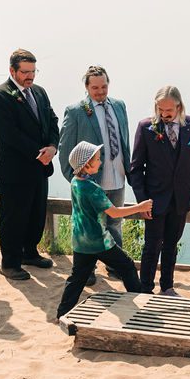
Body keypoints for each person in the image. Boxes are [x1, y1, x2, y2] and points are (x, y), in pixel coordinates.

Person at [55, 142, 152, 320]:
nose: (100, 162)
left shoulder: (76, 182)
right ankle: (141, 303)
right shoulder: (92, 189)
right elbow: (114, 212)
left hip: (80, 240)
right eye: (97, 160)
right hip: (99, 241)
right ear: (86, 165)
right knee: (127, 266)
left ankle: (62, 313)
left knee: (77, 278)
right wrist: (140, 206)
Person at [0, 49, 59, 281]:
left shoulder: (39, 92)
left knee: (36, 213)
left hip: (40, 167)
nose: (30, 77)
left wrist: (53, 147)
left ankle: (30, 252)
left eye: (33, 71)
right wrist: (39, 153)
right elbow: (9, 134)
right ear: (12, 70)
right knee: (13, 217)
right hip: (15, 169)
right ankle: (9, 263)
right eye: (25, 72)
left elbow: (52, 120)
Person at [128, 86, 190, 296]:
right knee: (152, 246)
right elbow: (135, 169)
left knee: (171, 244)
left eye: (168, 109)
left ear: (179, 106)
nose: (164, 114)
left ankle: (167, 287)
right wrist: (142, 201)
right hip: (154, 200)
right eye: (160, 109)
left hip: (180, 199)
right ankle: (145, 288)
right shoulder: (146, 127)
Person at [59, 65, 131, 281]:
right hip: (91, 180)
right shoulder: (76, 111)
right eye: (95, 87)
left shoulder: (119, 105)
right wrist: (75, 179)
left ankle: (115, 266)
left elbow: (124, 138)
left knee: (115, 223)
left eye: (104, 86)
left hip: (117, 174)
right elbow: (65, 148)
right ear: (87, 87)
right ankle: (87, 270)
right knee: (87, 224)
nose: (100, 91)